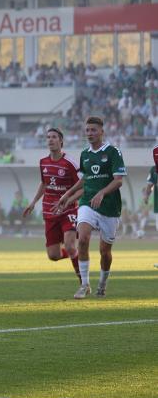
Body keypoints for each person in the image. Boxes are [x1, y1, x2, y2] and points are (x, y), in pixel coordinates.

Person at [56, 117, 126, 299]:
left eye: (93, 130)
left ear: (102, 131)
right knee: (83, 239)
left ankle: (102, 284)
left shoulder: (113, 152)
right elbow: (84, 180)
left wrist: (102, 193)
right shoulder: (85, 154)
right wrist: (67, 195)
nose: (89, 133)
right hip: (87, 202)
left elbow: (118, 181)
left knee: (105, 251)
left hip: (110, 207)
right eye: (87, 130)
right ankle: (84, 285)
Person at [22, 128, 81, 282]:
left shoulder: (70, 163)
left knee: (69, 245)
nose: (50, 140)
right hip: (50, 212)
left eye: (54, 137)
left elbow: (83, 187)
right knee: (53, 255)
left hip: (69, 211)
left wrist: (68, 201)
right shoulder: (43, 162)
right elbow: (44, 183)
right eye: (48, 137)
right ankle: (77, 255)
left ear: (61, 141)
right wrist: (33, 202)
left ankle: (83, 282)